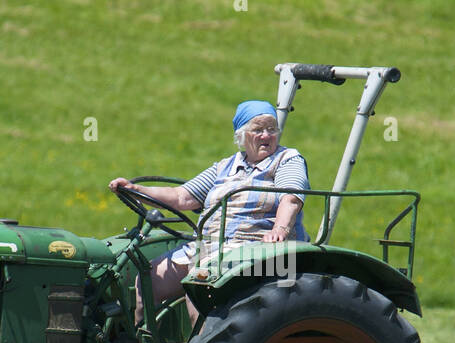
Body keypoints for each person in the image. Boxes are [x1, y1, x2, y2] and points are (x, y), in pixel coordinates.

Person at [108, 99, 310, 326]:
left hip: (254, 248)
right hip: (210, 246)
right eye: (258, 130)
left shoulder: (287, 160)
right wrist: (136, 190)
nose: (266, 136)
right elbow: (182, 197)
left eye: (271, 129)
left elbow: (291, 198)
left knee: (199, 289)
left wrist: (279, 230)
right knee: (148, 279)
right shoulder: (225, 166)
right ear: (241, 135)